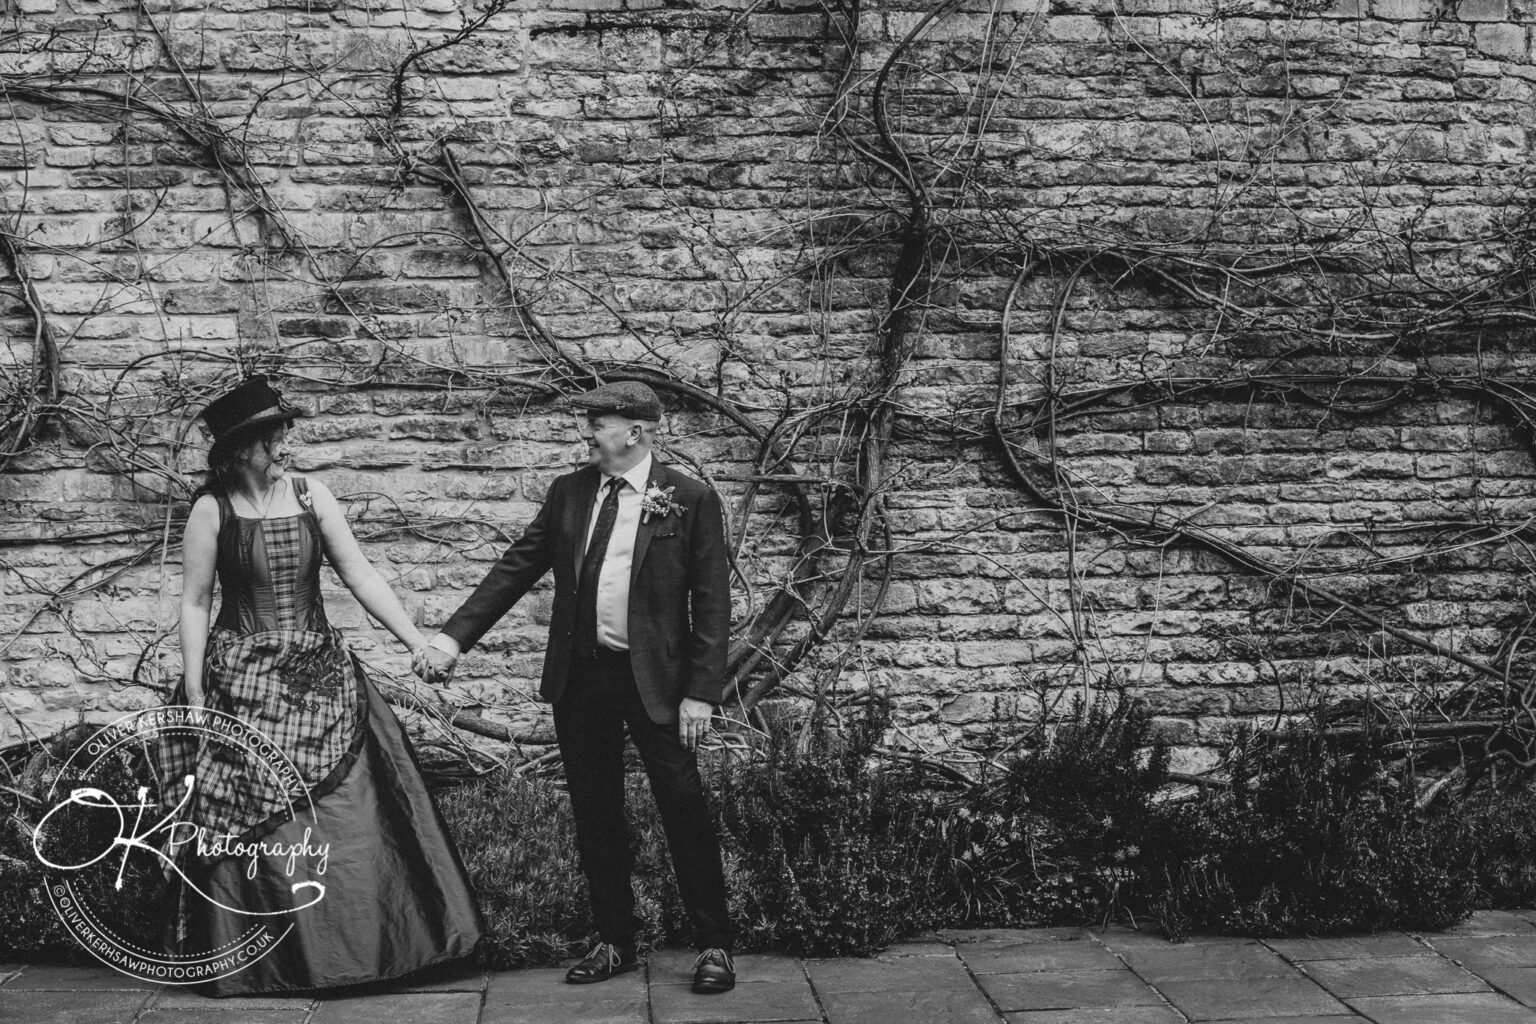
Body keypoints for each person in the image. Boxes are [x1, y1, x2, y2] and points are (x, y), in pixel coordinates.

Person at [162, 374, 484, 997]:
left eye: (285, 430)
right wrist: (199, 693)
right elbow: (196, 601)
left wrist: (415, 642)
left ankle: (366, 952)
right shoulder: (212, 508)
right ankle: (270, 964)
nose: (286, 442)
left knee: (350, 815)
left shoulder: (312, 496)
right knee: (253, 815)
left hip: (320, 676)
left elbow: (360, 576)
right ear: (241, 446)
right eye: (273, 434)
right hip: (239, 680)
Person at [415, 380, 737, 994]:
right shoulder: (570, 492)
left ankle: (714, 944)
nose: (587, 433)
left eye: (598, 423)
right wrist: (451, 640)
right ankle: (614, 939)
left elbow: (712, 601)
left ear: (634, 433)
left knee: (683, 806)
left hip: (660, 686)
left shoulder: (689, 498)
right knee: (595, 812)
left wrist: (702, 691)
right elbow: (516, 566)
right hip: (581, 677)